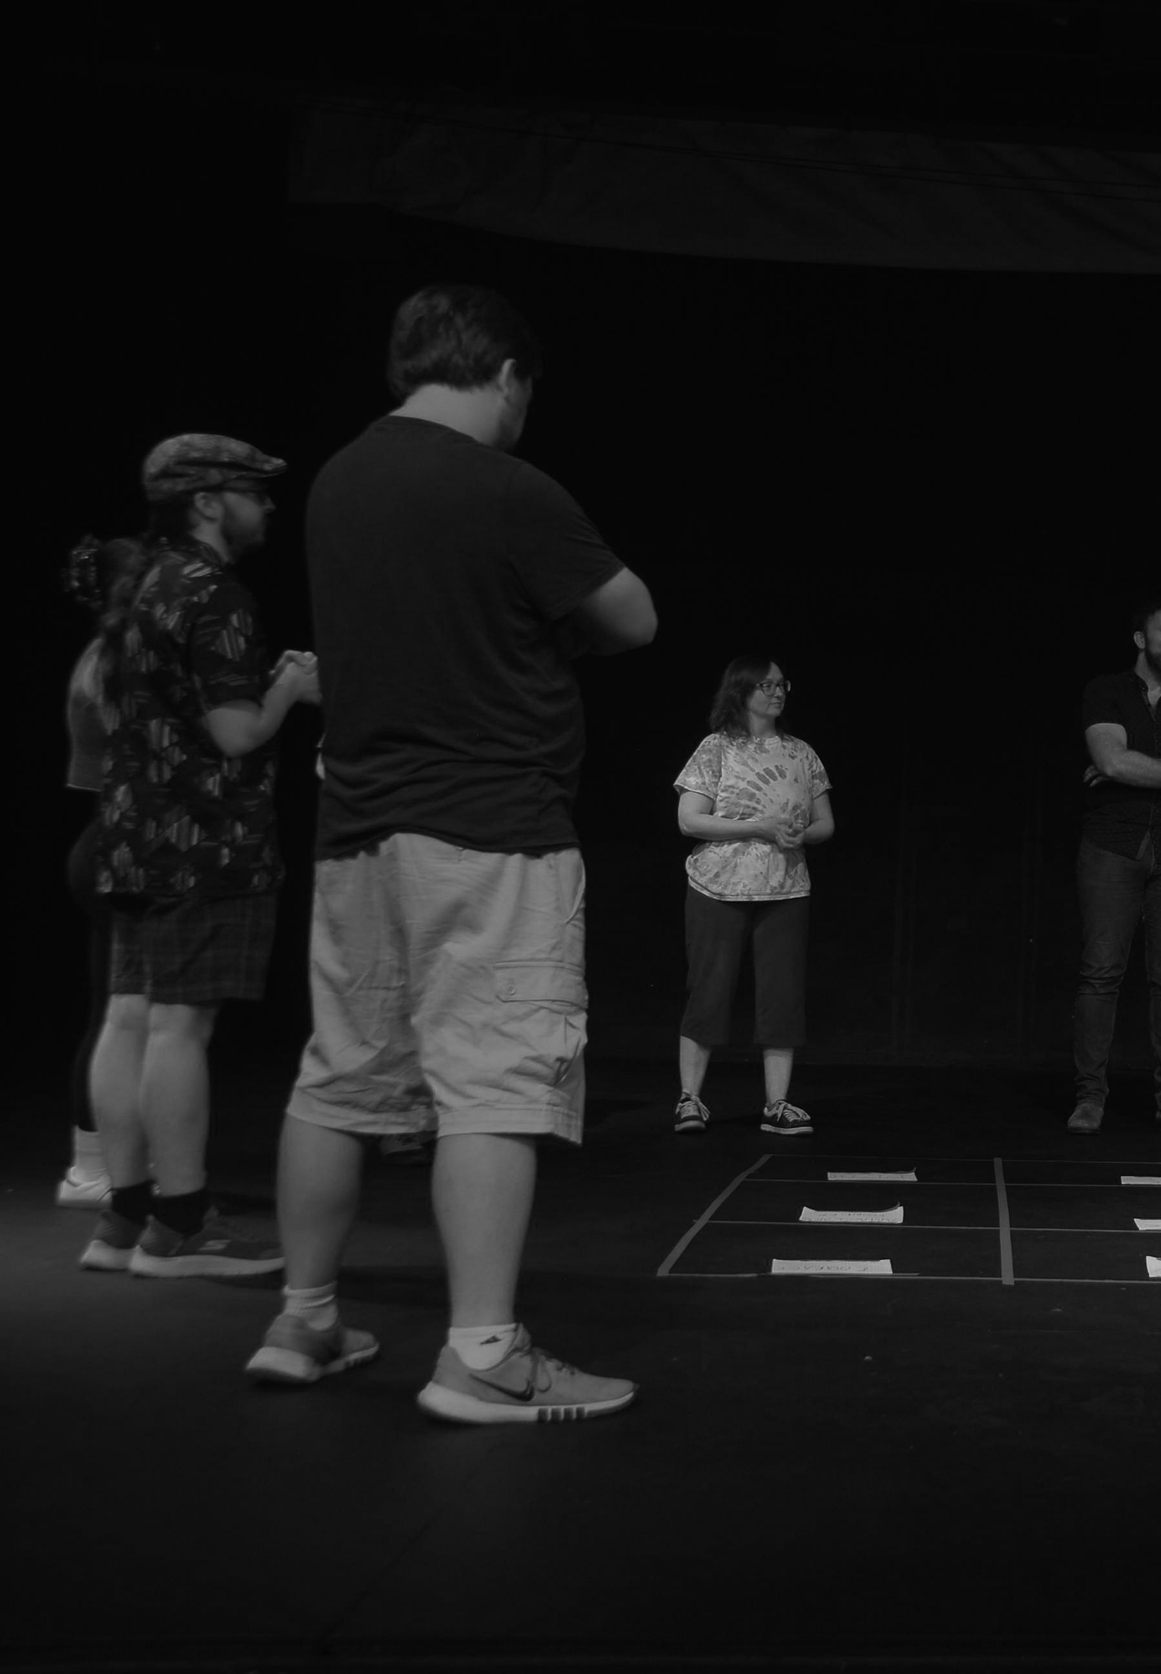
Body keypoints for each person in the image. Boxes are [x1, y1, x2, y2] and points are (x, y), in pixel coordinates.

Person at [254, 285, 657, 1424]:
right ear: (508, 376)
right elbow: (634, 618)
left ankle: (306, 1317)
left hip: (356, 833)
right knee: (493, 1085)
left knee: (336, 1076)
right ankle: (480, 1356)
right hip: (488, 828)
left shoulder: (338, 479)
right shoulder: (504, 485)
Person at [81, 436, 318, 1281]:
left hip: (134, 836)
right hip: (202, 843)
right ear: (209, 503)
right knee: (181, 1026)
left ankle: (124, 1216)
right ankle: (181, 1227)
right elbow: (236, 733)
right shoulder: (215, 592)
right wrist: (292, 686)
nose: (269, 506)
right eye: (254, 492)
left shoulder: (138, 582)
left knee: (129, 1016)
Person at [1069, 596, 1161, 1136]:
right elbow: (1111, 757)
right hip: (1114, 845)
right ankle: (1090, 1098)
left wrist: (1126, 769)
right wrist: (1149, 771)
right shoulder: (1105, 690)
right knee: (1101, 973)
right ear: (1141, 638)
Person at [672, 655, 834, 1137]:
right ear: (741, 691)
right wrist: (759, 826)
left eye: (783, 684)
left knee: (782, 995)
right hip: (718, 886)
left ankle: (777, 1104)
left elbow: (826, 823)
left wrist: (796, 834)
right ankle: (690, 1099)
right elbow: (689, 819)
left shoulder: (801, 753)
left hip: (785, 887)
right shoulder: (716, 749)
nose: (778, 692)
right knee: (709, 990)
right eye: (766, 684)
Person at [56, 536, 153, 1210]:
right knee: (116, 1015)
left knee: (125, 1015)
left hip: (107, 842)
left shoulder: (106, 656)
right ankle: (90, 1167)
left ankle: (108, 1163)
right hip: (114, 845)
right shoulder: (116, 661)